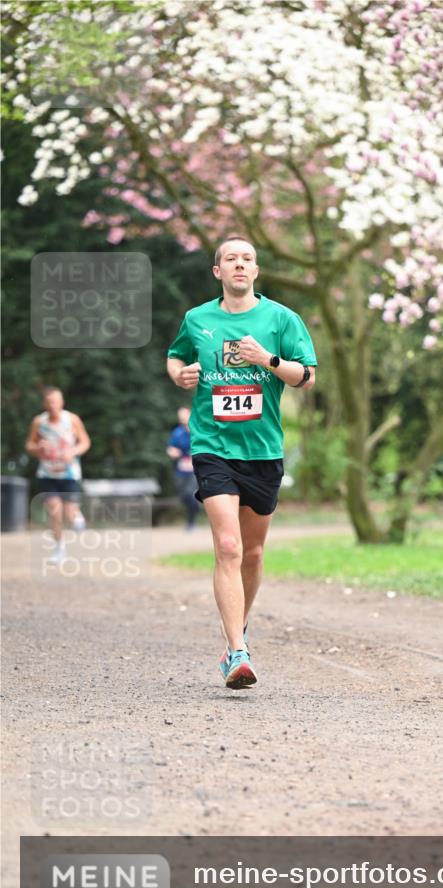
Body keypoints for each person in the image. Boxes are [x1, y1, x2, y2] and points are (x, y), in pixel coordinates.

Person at [166, 235, 317, 690]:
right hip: (212, 446)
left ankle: (239, 628)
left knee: (252, 553)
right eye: (230, 259)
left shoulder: (281, 319)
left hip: (263, 451)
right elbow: (175, 357)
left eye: (247, 259)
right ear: (218, 272)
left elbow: (307, 377)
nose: (238, 265)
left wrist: (267, 359)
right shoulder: (198, 319)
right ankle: (237, 652)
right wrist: (181, 374)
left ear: (255, 271)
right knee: (228, 548)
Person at [25, 386, 91, 564]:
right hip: (47, 473)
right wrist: (37, 448)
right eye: (49, 402)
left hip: (69, 473)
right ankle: (59, 550)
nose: (53, 405)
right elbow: (29, 444)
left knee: (69, 513)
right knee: (55, 512)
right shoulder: (39, 422)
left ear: (61, 402)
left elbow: (85, 441)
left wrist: (74, 451)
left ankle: (77, 517)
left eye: (55, 401)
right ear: (44, 404)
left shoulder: (72, 419)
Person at [166, 407, 199, 530]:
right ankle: (196, 508)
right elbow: (170, 448)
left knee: (190, 493)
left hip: (194, 470)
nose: (183, 419)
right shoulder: (177, 432)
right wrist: (173, 452)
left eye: (185, 416)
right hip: (180, 470)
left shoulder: (198, 430)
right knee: (183, 496)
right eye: (181, 417)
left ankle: (191, 522)